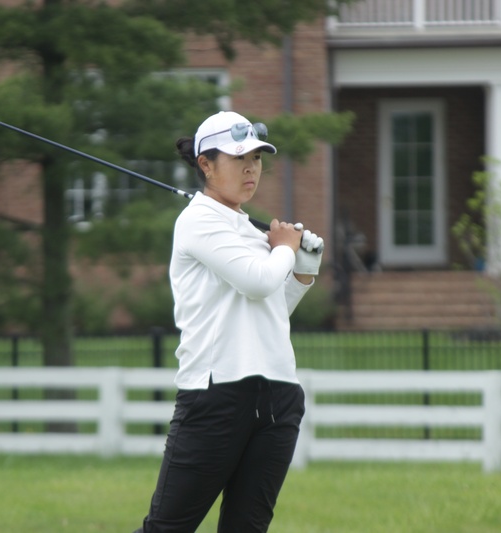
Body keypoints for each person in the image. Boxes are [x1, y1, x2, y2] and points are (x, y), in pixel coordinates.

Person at [135, 110, 324, 532]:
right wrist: (285, 249)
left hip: (277, 396)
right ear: (206, 164)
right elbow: (258, 282)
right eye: (239, 158)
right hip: (216, 396)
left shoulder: (253, 233)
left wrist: (301, 272)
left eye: (256, 158)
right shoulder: (198, 221)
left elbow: (269, 311)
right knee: (167, 528)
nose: (251, 168)